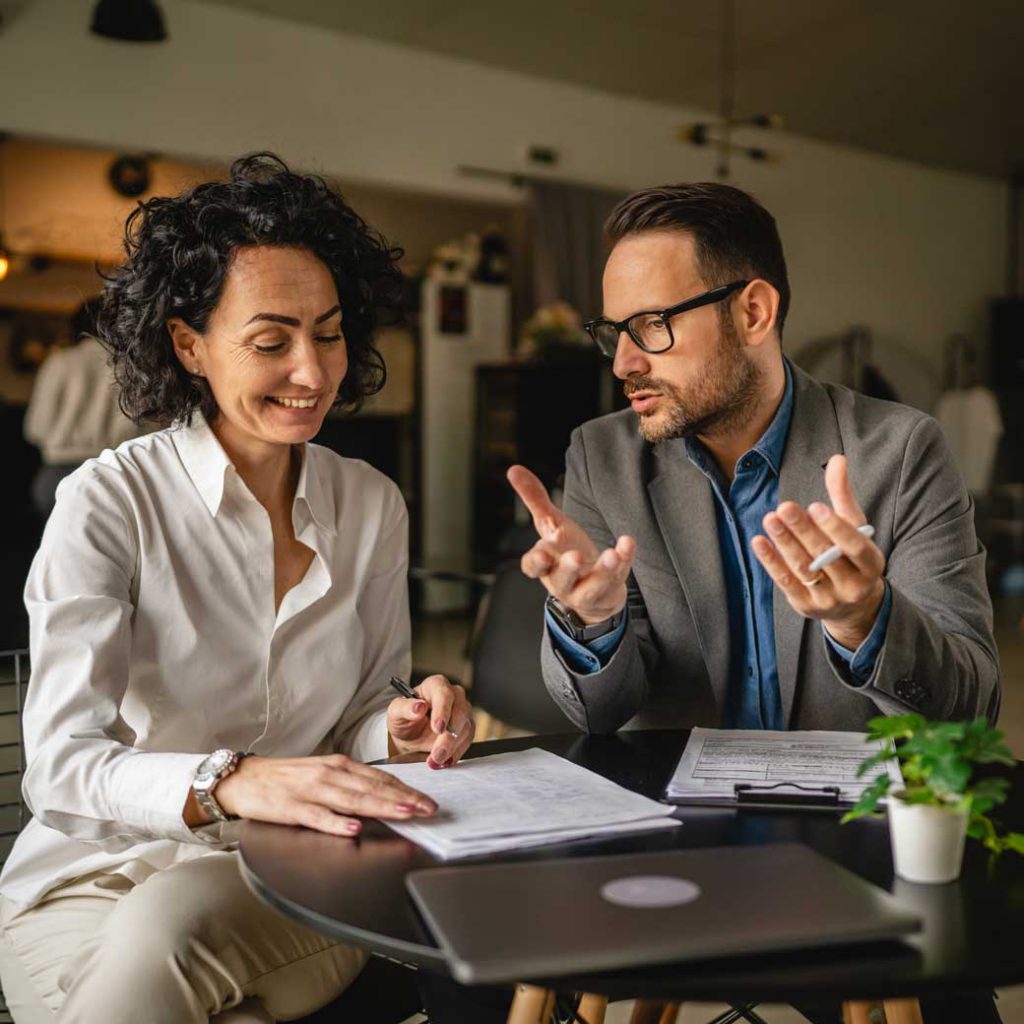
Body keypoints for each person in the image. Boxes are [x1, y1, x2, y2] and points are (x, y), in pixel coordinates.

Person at [505, 182, 1000, 1023]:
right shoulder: (603, 457)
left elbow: (971, 711)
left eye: (651, 327)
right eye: (612, 332)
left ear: (755, 311)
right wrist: (590, 623)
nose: (624, 362)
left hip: (856, 843)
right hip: (668, 836)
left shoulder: (898, 450)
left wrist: (865, 622)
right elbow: (600, 711)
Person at [0, 153, 474, 1024]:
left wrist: (399, 726)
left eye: (328, 333)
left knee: (167, 930)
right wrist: (228, 781)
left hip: (290, 877)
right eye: (270, 341)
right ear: (189, 344)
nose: (314, 372)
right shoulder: (109, 501)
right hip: (83, 882)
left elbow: (364, 717)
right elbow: (61, 765)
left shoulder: (369, 503)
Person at [23, 297, 142, 516]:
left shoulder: (60, 362)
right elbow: (133, 430)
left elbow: (35, 427)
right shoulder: (127, 368)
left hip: (56, 476)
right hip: (109, 476)